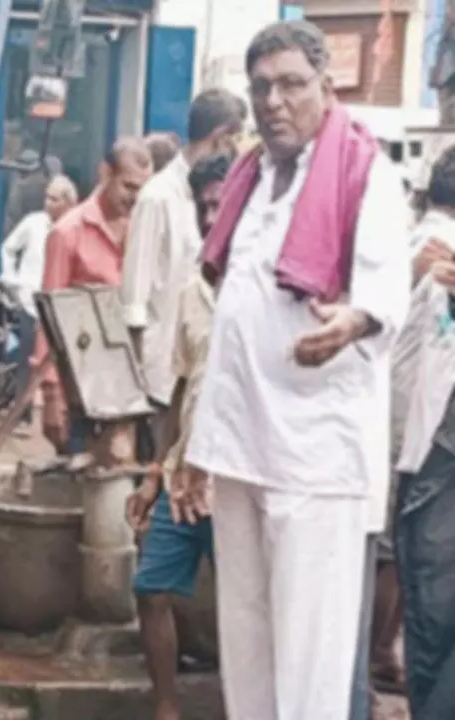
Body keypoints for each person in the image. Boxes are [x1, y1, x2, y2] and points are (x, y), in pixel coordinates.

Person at [176, 21, 412, 719]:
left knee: (311, 648)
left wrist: (355, 322)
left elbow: (384, 288)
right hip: (241, 444)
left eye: (291, 84)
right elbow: (232, 322)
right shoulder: (251, 180)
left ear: (325, 87)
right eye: (262, 88)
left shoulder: (367, 174)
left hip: (315, 450)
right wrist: (200, 448)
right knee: (245, 636)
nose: (274, 101)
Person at [125, 152, 232, 720]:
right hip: (182, 470)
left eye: (224, 204)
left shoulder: (266, 287)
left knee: (245, 606)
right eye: (207, 205)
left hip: (237, 478)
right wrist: (154, 473)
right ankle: (167, 707)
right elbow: (179, 387)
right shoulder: (192, 289)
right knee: (150, 588)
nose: (216, 216)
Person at [122, 89, 247, 437]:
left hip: (205, 373)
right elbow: (134, 299)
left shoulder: (222, 196)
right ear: (222, 138)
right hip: (160, 379)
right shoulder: (158, 197)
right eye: (235, 139)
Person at [32, 137, 154, 452]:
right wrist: (51, 394)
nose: (135, 197)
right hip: (83, 393)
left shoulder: (145, 231)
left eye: (143, 189)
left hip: (136, 389)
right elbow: (50, 319)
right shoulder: (67, 234)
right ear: (105, 174)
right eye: (128, 186)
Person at [393, 145, 455, 719]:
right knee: (433, 620)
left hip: (427, 462)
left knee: (433, 623)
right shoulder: (434, 257)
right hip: (436, 459)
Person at [0, 175, 78, 425]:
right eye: (47, 197)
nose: (47, 203)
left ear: (68, 202)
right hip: (30, 303)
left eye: (54, 199)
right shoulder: (33, 224)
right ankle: (22, 414)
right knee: (27, 361)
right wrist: (12, 279)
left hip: (61, 307)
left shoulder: (75, 228)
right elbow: (8, 248)